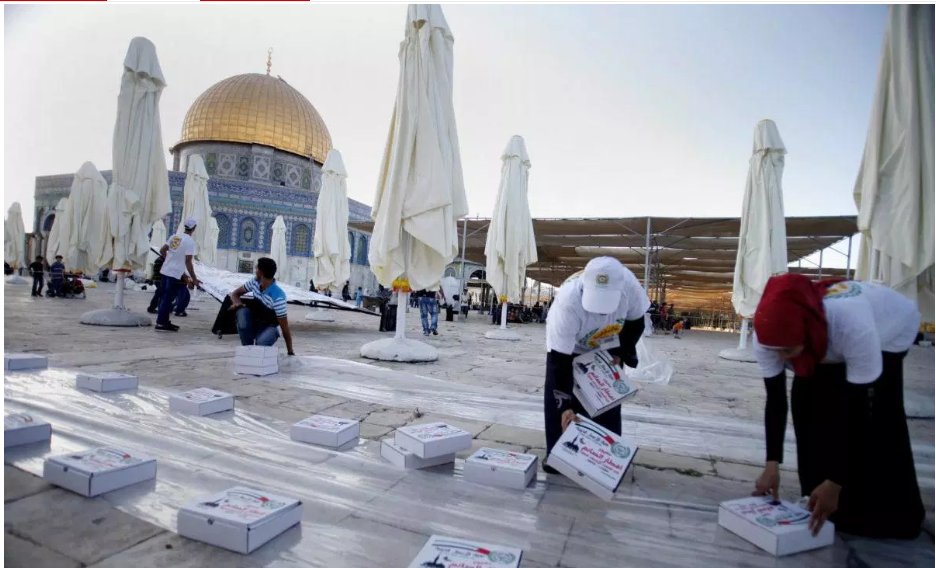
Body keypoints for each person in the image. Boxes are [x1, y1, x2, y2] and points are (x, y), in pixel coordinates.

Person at [752, 274, 924, 539]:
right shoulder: (767, 334)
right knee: (806, 402)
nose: (780, 357)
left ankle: (882, 512)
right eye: (775, 350)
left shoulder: (852, 324)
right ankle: (817, 494)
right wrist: (771, 464)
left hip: (889, 331)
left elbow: (859, 410)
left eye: (787, 350)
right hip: (825, 339)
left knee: (877, 415)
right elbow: (776, 400)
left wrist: (835, 481)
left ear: (806, 331)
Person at [542, 256, 649, 474]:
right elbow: (559, 362)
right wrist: (564, 407)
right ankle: (559, 454)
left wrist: (620, 353)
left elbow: (636, 323)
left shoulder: (630, 287)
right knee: (560, 401)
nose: (600, 312)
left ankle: (604, 458)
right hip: (571, 347)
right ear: (584, 287)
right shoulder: (568, 302)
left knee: (606, 399)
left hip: (609, 344)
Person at [228, 257, 295, 355]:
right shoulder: (254, 282)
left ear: (261, 273)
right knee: (242, 312)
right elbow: (235, 294)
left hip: (271, 326)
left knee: (261, 343)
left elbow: (284, 327)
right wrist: (237, 304)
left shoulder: (278, 297)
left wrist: (290, 351)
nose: (255, 270)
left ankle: (257, 349)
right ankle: (248, 350)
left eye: (256, 268)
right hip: (256, 321)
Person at [155, 218, 200, 332]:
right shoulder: (190, 242)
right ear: (194, 228)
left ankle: (164, 321)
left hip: (166, 271)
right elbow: (188, 262)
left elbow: (162, 250)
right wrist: (194, 279)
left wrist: (168, 260)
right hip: (174, 274)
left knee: (165, 297)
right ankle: (161, 323)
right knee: (167, 299)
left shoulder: (175, 237)